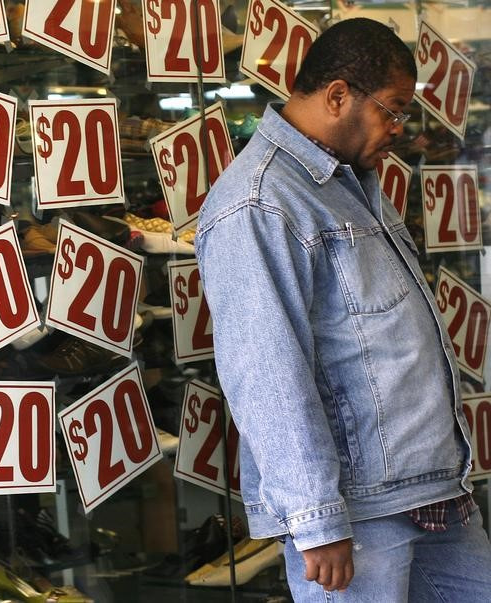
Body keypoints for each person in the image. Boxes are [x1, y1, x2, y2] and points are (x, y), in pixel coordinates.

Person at [195, 17, 491, 601]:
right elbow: (266, 371)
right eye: (393, 110)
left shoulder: (348, 183)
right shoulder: (262, 201)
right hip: (358, 511)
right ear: (337, 96)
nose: (399, 129)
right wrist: (315, 516)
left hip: (427, 489)